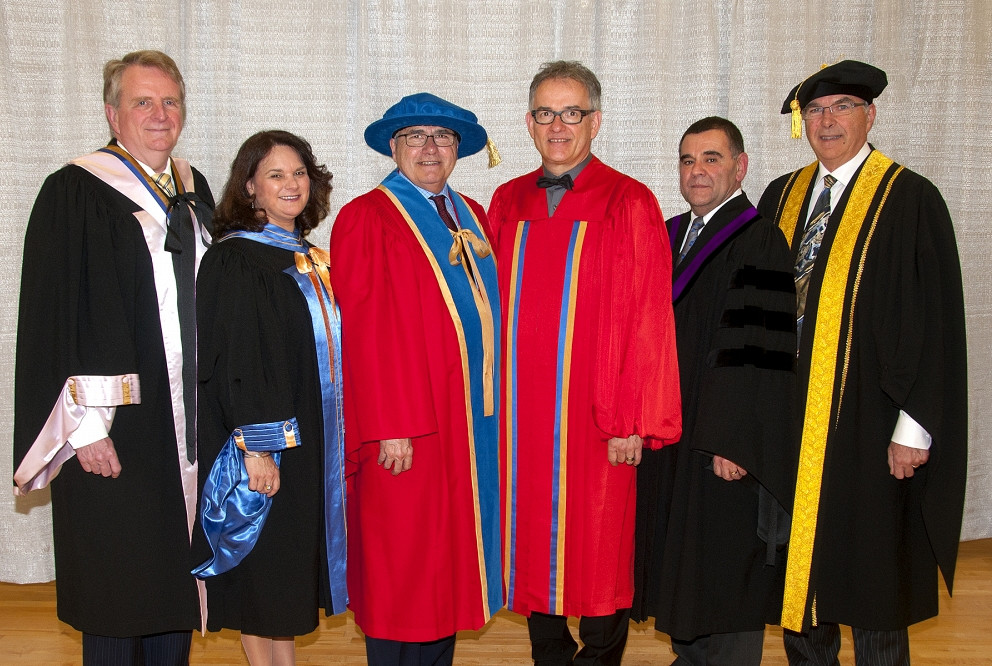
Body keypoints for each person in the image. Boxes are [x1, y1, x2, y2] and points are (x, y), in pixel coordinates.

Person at [757, 60, 968, 666]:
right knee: (801, 582)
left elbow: (935, 324)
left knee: (873, 583)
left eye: (842, 108)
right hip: (793, 423)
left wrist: (914, 427)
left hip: (870, 425)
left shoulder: (909, 198)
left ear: (870, 115)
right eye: (815, 111)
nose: (827, 121)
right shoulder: (784, 195)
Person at [12, 50, 212, 664]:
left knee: (174, 577)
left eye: (170, 102)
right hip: (114, 425)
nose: (159, 114)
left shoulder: (192, 186)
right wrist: (87, 427)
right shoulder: (73, 190)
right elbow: (53, 314)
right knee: (117, 583)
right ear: (112, 114)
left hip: (185, 422)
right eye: (142, 102)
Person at [485, 60, 682, 665]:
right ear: (529, 122)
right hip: (521, 417)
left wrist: (632, 419)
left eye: (572, 113)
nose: (558, 126)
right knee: (529, 538)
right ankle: (548, 653)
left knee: (600, 545)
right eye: (546, 113)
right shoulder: (506, 199)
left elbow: (648, 315)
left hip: (597, 415)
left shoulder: (629, 200)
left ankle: (600, 657)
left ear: (595, 121)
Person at [331, 93, 503, 665]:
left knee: (445, 572)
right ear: (394, 147)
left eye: (442, 138)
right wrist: (390, 425)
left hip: (465, 427)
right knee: (403, 568)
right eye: (415, 137)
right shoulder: (368, 216)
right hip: (407, 429)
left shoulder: (469, 214)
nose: (430, 148)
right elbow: (365, 329)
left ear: (458, 149)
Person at [632, 116, 798, 665]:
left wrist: (734, 440)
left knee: (726, 566)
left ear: (740, 166)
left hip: (722, 442)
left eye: (711, 158)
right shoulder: (674, 233)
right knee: (688, 562)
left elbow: (758, 351)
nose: (697, 171)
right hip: (678, 431)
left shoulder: (760, 239)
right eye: (687, 160)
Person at [189, 130, 346, 666]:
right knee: (263, 578)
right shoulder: (238, 260)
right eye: (275, 174)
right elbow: (234, 359)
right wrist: (257, 447)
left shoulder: (309, 258)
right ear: (250, 186)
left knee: (282, 580)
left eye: (299, 173)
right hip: (265, 443)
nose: (291, 184)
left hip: (308, 442)